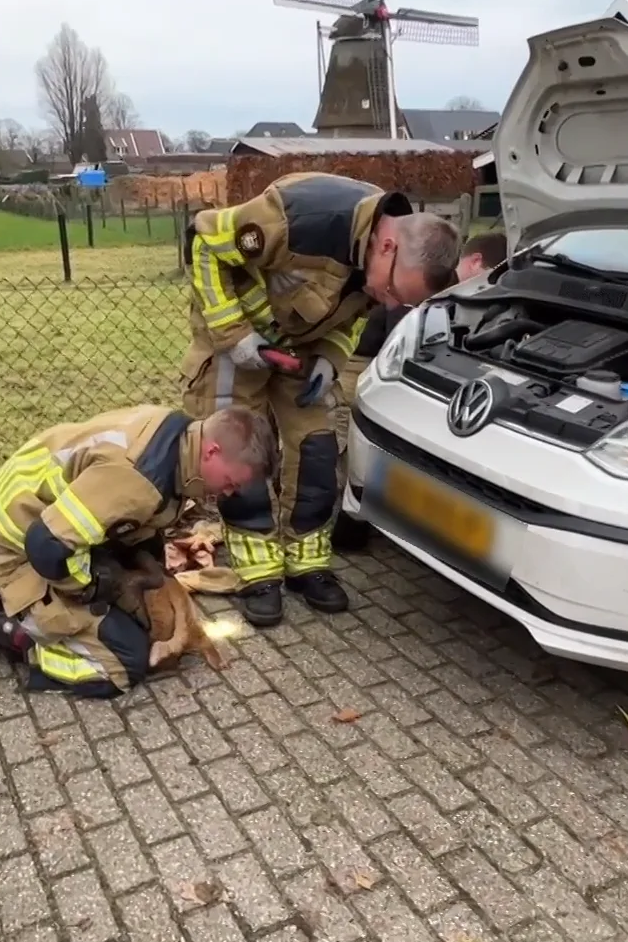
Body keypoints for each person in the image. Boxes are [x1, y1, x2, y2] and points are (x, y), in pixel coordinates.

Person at [181, 172, 460, 627]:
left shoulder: (384, 269)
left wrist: (332, 356)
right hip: (235, 336)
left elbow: (353, 316)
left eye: (398, 301)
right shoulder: (300, 217)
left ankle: (306, 564)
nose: (387, 303)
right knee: (242, 452)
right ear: (385, 247)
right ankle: (257, 572)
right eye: (390, 291)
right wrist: (235, 334)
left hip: (304, 348)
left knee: (317, 449)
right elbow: (204, 241)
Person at [0, 404, 274, 698]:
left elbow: (134, 521)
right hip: (16, 544)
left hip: (50, 521)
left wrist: (142, 574)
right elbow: (46, 547)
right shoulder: (138, 479)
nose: (228, 494)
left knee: (143, 621)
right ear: (212, 451)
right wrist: (95, 586)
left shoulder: (181, 437)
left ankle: (31, 603)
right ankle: (0, 623)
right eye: (230, 482)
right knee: (124, 664)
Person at [332, 230, 508, 553]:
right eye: (491, 273)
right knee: (350, 444)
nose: (490, 284)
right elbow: (397, 339)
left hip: (375, 362)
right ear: (476, 261)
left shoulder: (442, 285)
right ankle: (347, 529)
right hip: (358, 363)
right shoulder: (430, 285)